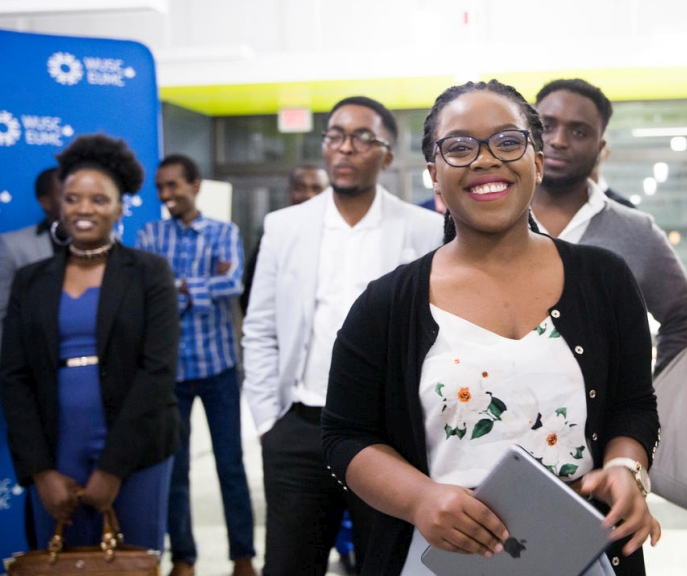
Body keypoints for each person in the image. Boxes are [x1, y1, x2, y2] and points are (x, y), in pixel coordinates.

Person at [320, 80, 661, 575]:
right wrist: (420, 499)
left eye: (507, 141)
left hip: (580, 550)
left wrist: (626, 469)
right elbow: (345, 436)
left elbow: (633, 405)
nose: (485, 159)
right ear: (435, 176)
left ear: (537, 162)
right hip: (442, 557)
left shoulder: (604, 279)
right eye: (459, 147)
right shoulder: (386, 304)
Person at [242, 96, 442, 575]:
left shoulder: (426, 230)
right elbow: (259, 328)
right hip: (299, 430)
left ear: (388, 155)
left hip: (387, 439)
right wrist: (269, 421)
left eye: (361, 138)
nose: (345, 148)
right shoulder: (285, 227)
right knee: (289, 565)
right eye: (335, 135)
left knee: (384, 563)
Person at [0, 134, 180, 552]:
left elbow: (158, 372)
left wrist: (113, 469)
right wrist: (41, 472)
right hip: (54, 446)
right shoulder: (31, 280)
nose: (84, 209)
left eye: (99, 200)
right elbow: (14, 376)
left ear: (120, 208)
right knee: (60, 560)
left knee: (129, 559)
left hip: (137, 449)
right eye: (73, 198)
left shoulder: (150, 273)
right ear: (59, 204)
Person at [136, 154, 256, 576]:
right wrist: (196, 284)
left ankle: (243, 557)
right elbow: (147, 293)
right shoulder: (150, 234)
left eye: (174, 186)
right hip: (171, 372)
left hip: (219, 367)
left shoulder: (224, 232)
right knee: (177, 470)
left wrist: (177, 285)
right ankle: (183, 559)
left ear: (195, 185)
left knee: (230, 466)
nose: (166, 195)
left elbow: (232, 284)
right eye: (161, 188)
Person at [530, 78, 687, 373]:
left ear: (601, 147)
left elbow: (683, 320)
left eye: (579, 131)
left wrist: (649, 392)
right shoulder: (490, 222)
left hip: (604, 417)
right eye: (546, 126)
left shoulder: (636, 232)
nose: (558, 140)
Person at [240, 165, 327, 314]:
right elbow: (253, 293)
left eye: (316, 189)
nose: (308, 195)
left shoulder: (339, 235)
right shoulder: (274, 233)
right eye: (300, 188)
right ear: (290, 190)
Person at [0, 167, 66, 351]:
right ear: (45, 202)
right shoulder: (13, 245)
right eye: (66, 193)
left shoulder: (103, 242)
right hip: (33, 361)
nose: (75, 201)